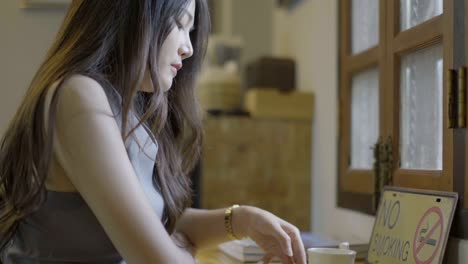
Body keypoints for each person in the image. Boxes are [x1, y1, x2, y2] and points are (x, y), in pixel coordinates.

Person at [0, 0, 306, 263]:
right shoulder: (78, 97)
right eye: (180, 24)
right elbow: (158, 255)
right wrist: (181, 249)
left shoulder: (127, 108)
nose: (187, 49)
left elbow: (158, 222)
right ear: (133, 14)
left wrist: (241, 219)